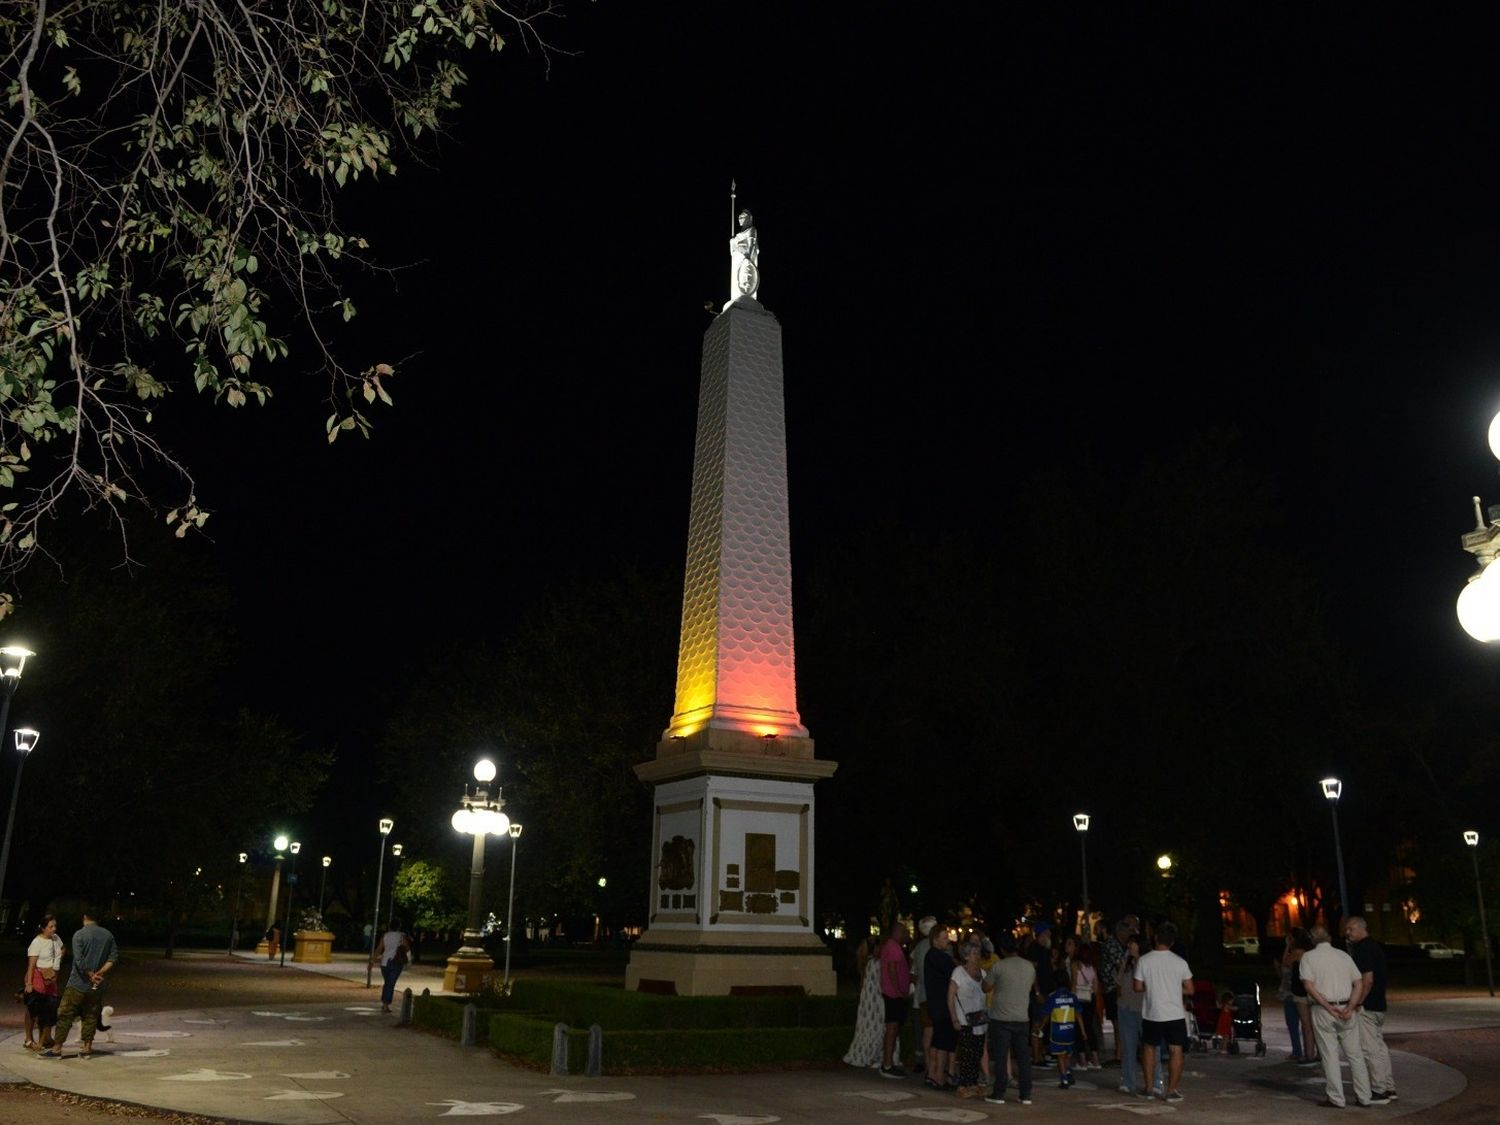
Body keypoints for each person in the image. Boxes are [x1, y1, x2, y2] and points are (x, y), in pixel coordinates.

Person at [1299, 923, 1385, 1108]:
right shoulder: (1344, 956)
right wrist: (1352, 1006)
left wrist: (1328, 1007)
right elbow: (1359, 983)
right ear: (1329, 938)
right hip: (1346, 1007)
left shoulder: (1308, 957)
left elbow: (1308, 985)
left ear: (1312, 940)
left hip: (1323, 1010)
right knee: (1355, 1055)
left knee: (1329, 1055)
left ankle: (1336, 1097)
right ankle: (1364, 1096)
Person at [40, 908, 117, 1059]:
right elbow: (113, 958)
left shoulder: (79, 935)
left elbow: (79, 961)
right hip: (97, 986)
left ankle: (57, 1048)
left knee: (65, 1014)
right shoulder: (108, 935)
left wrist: (89, 974)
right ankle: (87, 1047)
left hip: (77, 983)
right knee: (91, 1015)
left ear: (84, 916)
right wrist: (99, 973)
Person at [1132, 920, 1192, 1103]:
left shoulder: (1144, 960)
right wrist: (1174, 989)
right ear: (1172, 942)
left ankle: (1149, 1088)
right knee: (1176, 1050)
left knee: (1149, 1048)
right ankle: (1172, 1090)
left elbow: (1137, 986)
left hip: (1152, 1013)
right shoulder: (1180, 962)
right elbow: (1190, 989)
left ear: (1155, 938)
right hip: (1174, 1014)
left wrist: (1153, 987)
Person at [1346, 916, 1396, 1101]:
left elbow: (1367, 980)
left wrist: (1358, 1002)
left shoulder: (1363, 949)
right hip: (1379, 1004)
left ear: (1360, 928)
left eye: (1350, 929)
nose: (1348, 933)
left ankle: (1379, 1089)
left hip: (1367, 1006)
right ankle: (1389, 1087)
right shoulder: (1375, 946)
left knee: (1370, 1049)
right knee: (1380, 1047)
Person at [983, 933, 1035, 1105]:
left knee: (1000, 1056)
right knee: (1023, 1058)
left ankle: (999, 1093)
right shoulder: (1029, 966)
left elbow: (986, 987)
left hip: (1001, 1018)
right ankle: (1025, 1094)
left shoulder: (999, 966)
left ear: (1003, 949)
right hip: (1022, 1017)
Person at [947, 938, 988, 1098]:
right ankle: (963, 1084)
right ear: (966, 956)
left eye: (978, 953)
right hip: (965, 1019)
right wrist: (954, 1018)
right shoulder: (958, 972)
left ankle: (973, 1082)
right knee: (966, 1053)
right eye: (974, 953)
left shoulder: (982, 973)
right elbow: (950, 995)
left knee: (977, 1051)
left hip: (980, 1019)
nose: (977, 956)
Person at [23, 914, 64, 1050]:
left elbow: (62, 949)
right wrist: (29, 983)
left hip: (50, 978)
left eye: (55, 926)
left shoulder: (56, 939)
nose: (53, 929)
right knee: (33, 1008)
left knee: (50, 1008)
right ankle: (29, 1039)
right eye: (50, 927)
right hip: (38, 977)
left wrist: (55, 964)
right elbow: (31, 965)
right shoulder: (37, 942)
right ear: (43, 928)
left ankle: (46, 1037)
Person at [923, 924, 957, 1089]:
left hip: (936, 1005)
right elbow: (955, 972)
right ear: (935, 940)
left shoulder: (932, 956)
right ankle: (938, 1077)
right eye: (944, 938)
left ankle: (932, 1074)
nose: (947, 941)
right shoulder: (938, 957)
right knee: (943, 1042)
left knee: (938, 1041)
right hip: (942, 1006)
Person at [1100, 915, 1137, 1067]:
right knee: (1118, 1022)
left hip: (1118, 988)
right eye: (1130, 930)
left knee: (1121, 1022)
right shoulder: (1113, 946)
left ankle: (1121, 1053)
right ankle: (1120, 1054)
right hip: (1114, 989)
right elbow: (1122, 967)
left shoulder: (1118, 946)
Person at [843, 937, 884, 1068]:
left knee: (866, 1028)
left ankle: (868, 1055)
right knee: (877, 1029)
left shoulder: (866, 963)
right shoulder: (875, 964)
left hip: (867, 1000)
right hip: (875, 1001)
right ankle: (874, 1056)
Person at [876, 920, 910, 1078]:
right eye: (903, 932)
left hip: (893, 993)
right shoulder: (893, 947)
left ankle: (888, 1063)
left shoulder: (891, 946)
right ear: (896, 932)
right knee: (892, 1029)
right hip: (893, 994)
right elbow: (892, 970)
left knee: (894, 1029)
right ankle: (887, 1064)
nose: (906, 935)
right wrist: (899, 990)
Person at [907, 915, 936, 1074]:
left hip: (920, 996)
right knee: (929, 1030)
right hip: (930, 996)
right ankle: (931, 1064)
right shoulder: (933, 946)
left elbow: (912, 972)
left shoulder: (918, 947)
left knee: (922, 1030)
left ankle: (922, 1061)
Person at [1042, 969, 1080, 1089]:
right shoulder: (1073, 996)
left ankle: (1064, 1079)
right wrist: (1083, 1031)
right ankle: (1068, 1073)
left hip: (1057, 1032)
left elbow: (1046, 1015)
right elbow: (1079, 1014)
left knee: (1059, 1056)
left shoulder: (1052, 997)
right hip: (1070, 1030)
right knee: (1067, 1055)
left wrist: (1040, 1027)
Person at [1275, 933, 1308, 1063]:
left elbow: (1285, 963)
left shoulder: (1296, 954)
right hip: (1301, 992)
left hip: (1292, 994)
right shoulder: (1308, 953)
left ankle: (1298, 1051)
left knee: (1293, 1024)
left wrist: (1287, 946)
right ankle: (1309, 1051)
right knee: (1307, 1025)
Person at [370, 915, 412, 1014]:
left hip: (384, 963)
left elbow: (379, 949)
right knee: (390, 984)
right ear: (399, 926)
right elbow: (407, 948)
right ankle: (385, 1005)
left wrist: (372, 961)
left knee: (388, 983)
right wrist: (409, 961)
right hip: (396, 962)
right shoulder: (402, 936)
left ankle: (385, 1003)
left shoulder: (385, 936)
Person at [1072, 941, 1103, 1069]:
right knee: (1090, 1028)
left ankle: (1082, 1060)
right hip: (1090, 1000)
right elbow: (1096, 988)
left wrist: (1072, 997)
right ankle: (1095, 1060)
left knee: (1079, 1028)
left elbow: (1074, 982)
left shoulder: (1076, 965)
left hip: (1078, 999)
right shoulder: (1092, 967)